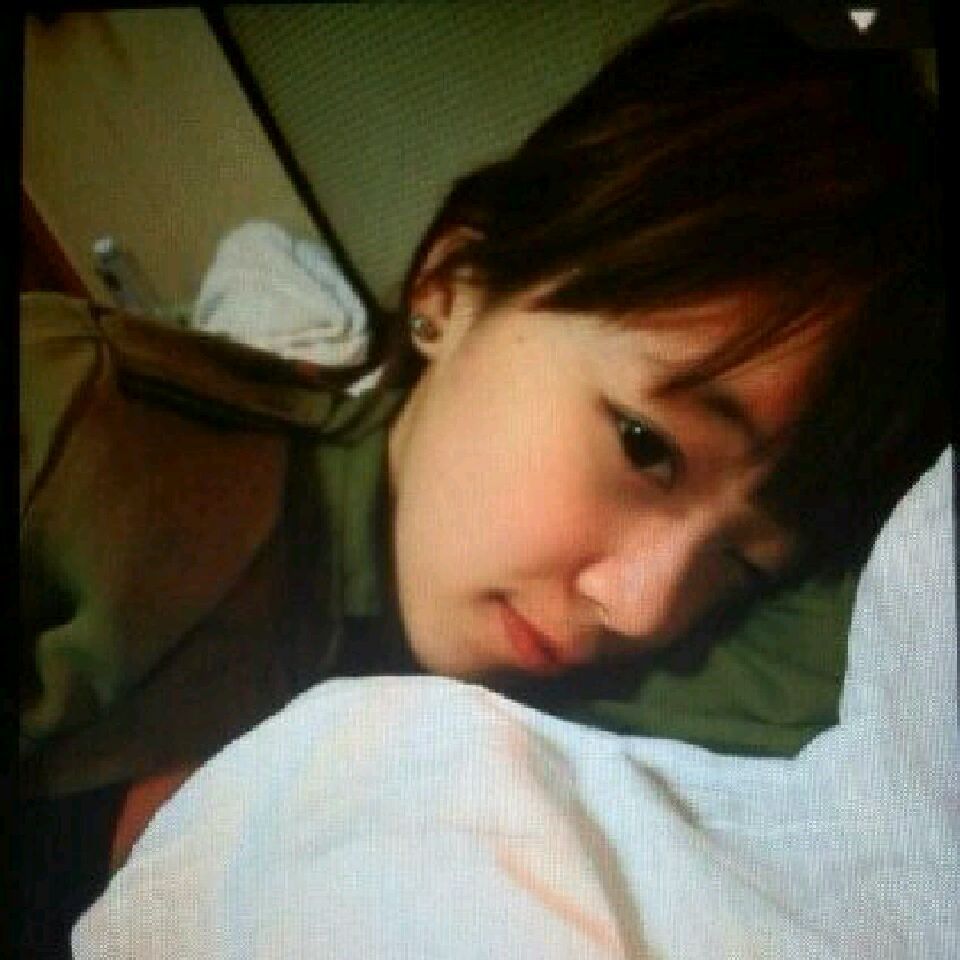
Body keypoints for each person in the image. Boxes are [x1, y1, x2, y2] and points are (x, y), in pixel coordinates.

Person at [19, 0, 945, 952]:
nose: (642, 607)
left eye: (742, 563)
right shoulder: (77, 438)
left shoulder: (654, 679)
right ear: (450, 285)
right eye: (644, 445)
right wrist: (89, 844)